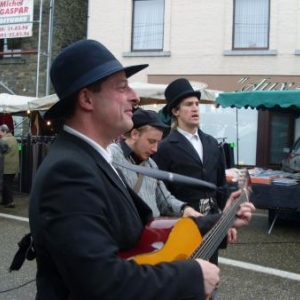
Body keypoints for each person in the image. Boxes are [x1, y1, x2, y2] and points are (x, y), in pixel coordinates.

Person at [28, 39, 255, 300]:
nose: (134, 96)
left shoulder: (90, 159)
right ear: (87, 99)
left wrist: (220, 221)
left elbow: (144, 232)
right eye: (122, 87)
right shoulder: (68, 171)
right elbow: (101, 282)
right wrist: (191, 276)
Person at [152, 78, 235, 266]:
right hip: (182, 226)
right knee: (186, 282)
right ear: (175, 111)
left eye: (197, 104)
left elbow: (221, 186)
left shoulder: (212, 143)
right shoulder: (164, 148)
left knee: (210, 281)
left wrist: (225, 221)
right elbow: (161, 192)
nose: (195, 108)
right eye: (188, 104)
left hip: (211, 224)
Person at [108, 109, 201, 218]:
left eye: (158, 142)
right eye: (151, 141)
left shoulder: (151, 164)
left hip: (151, 232)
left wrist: (184, 209)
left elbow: (165, 201)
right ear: (134, 134)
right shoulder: (110, 156)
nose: (155, 149)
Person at [0, 124, 19, 208]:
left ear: (4, 131)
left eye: (0, 131)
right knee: (8, 184)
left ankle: (11, 202)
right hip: (14, 166)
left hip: (7, 166)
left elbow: (2, 152)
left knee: (6, 185)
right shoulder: (14, 139)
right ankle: (5, 201)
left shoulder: (3, 140)